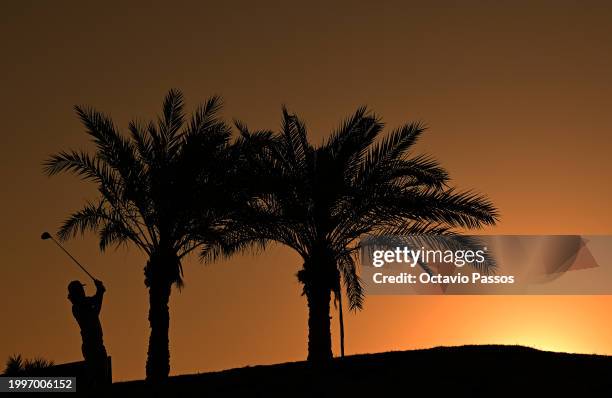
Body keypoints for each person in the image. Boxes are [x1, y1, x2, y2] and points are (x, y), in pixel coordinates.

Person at [67, 279, 108, 388]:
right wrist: (100, 291)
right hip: (92, 346)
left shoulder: (81, 305)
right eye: (81, 289)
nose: (83, 291)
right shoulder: (78, 306)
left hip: (95, 345)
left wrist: (100, 292)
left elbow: (96, 310)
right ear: (78, 292)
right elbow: (95, 307)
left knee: (101, 379)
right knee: (98, 379)